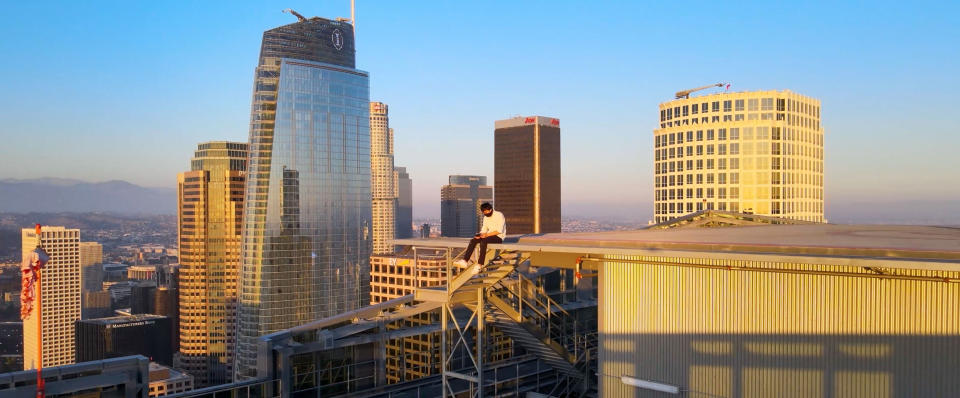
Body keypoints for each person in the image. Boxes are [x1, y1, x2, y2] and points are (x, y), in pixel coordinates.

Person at [454, 203, 505, 269]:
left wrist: (486, 235)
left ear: (491, 209)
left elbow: (499, 231)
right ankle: (465, 261)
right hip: (488, 236)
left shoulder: (499, 215)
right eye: (484, 212)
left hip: (499, 237)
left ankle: (480, 264)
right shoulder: (485, 218)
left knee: (484, 241)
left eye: (487, 211)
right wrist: (480, 235)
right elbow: (484, 229)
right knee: (473, 240)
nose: (486, 213)